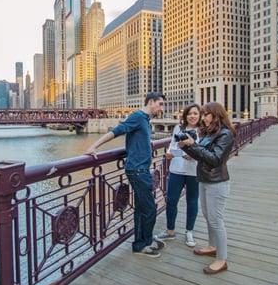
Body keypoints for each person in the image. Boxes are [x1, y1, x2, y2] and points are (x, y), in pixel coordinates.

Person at [86, 92, 166, 258]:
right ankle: (145, 242)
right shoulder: (137, 116)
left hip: (141, 169)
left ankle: (140, 243)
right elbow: (117, 130)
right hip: (137, 171)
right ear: (151, 102)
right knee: (150, 208)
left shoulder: (145, 119)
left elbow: (138, 140)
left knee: (141, 209)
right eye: (160, 104)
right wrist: (94, 146)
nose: (162, 108)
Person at [178, 102, 234, 274]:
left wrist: (193, 145)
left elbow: (215, 159)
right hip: (204, 179)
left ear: (216, 115)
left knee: (216, 220)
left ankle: (222, 259)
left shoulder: (225, 134)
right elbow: (201, 155)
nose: (203, 118)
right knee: (209, 217)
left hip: (217, 182)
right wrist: (188, 147)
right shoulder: (209, 133)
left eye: (206, 114)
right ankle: (212, 246)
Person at [155, 104, 201, 247]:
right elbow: (173, 146)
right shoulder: (178, 128)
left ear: (199, 115)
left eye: (195, 113)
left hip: (194, 171)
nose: (193, 116)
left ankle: (189, 232)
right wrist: (169, 153)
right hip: (176, 169)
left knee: (192, 201)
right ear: (185, 115)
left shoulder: (202, 130)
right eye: (190, 113)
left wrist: (195, 155)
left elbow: (205, 150)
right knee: (171, 200)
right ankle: (170, 231)